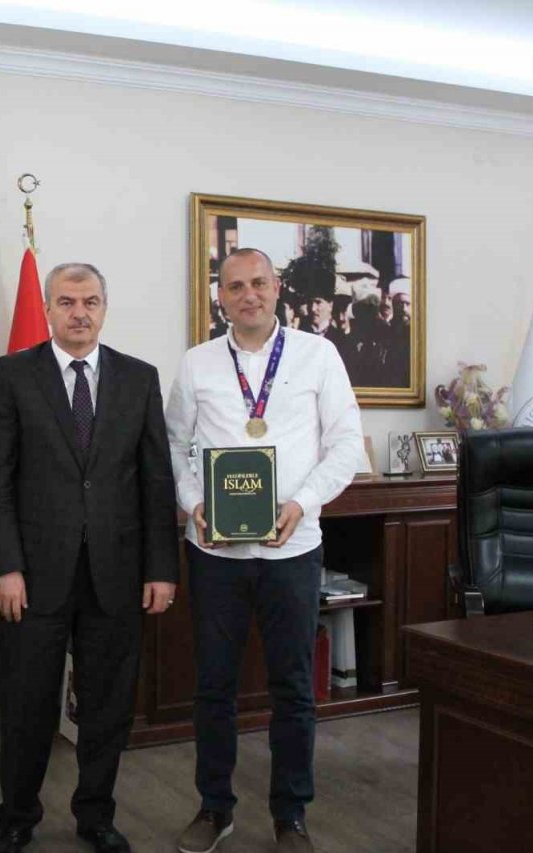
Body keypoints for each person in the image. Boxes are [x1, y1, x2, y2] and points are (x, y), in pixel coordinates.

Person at [167, 248, 364, 853]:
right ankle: (214, 807)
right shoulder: (197, 364)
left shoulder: (317, 355)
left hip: (293, 550)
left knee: (294, 690)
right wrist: (193, 501)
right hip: (215, 556)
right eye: (234, 286)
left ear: (277, 288)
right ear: (219, 297)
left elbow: (347, 444)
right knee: (214, 689)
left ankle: (291, 816)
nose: (247, 295)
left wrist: (301, 503)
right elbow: (175, 443)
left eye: (258, 283)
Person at [0, 262, 178, 853]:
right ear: (48, 308)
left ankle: (95, 815)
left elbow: (155, 480)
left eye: (90, 301)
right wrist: (4, 565)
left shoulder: (139, 378)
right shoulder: (13, 374)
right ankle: (16, 818)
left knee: (108, 708)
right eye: (66, 301)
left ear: (104, 307)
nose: (79, 312)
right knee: (26, 706)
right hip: (33, 577)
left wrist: (161, 567)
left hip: (115, 575)